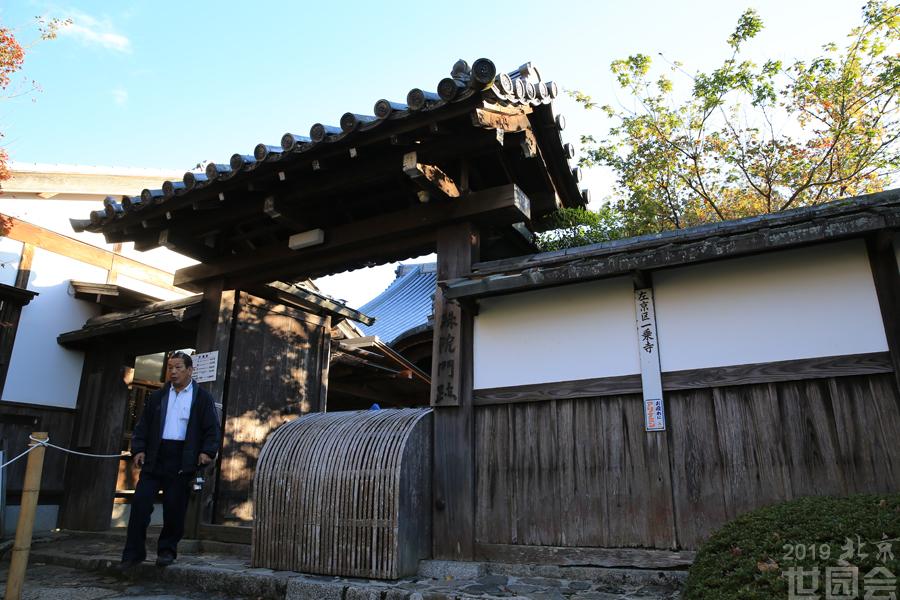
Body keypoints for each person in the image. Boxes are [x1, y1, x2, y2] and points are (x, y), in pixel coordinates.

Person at [120, 351, 221, 569]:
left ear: (190, 370)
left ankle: (167, 551)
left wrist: (207, 451)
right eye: (170, 368)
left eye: (178, 368)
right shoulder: (158, 396)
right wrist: (138, 449)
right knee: (140, 504)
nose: (173, 372)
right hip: (156, 455)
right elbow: (143, 426)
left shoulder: (201, 397)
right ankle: (132, 553)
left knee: (174, 508)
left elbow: (212, 428)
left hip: (182, 457)